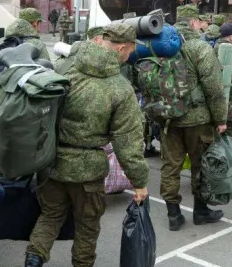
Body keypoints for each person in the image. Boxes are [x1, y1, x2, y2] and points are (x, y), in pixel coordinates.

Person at [25, 23, 149, 267]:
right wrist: (140, 182)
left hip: (51, 162)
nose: (130, 56)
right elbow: (127, 142)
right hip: (88, 172)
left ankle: (33, 260)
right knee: (87, 226)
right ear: (122, 48)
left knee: (50, 216)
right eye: (131, 51)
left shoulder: (66, 69)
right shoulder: (120, 88)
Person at [163, 4, 228, 231]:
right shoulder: (199, 47)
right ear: (193, 22)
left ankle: (173, 214)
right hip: (197, 119)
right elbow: (214, 89)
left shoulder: (162, 45)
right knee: (200, 165)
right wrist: (220, 119)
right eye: (199, 21)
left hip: (168, 116)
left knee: (170, 166)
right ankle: (200, 211)